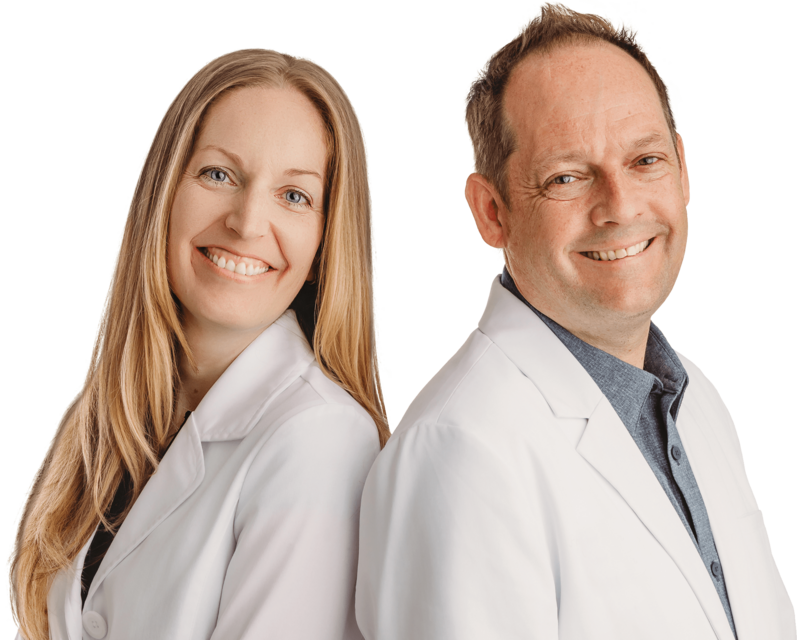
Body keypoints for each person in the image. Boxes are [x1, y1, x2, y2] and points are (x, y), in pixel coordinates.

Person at [355, 3, 794, 639]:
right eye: (566, 177)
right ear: (491, 212)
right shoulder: (461, 452)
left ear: (683, 169)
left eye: (645, 161)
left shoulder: (696, 402)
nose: (620, 206)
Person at [9, 48, 390, 640]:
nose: (246, 222)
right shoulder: (116, 416)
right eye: (219, 174)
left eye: (294, 195)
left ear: (324, 245)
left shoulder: (320, 438)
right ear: (164, 194)